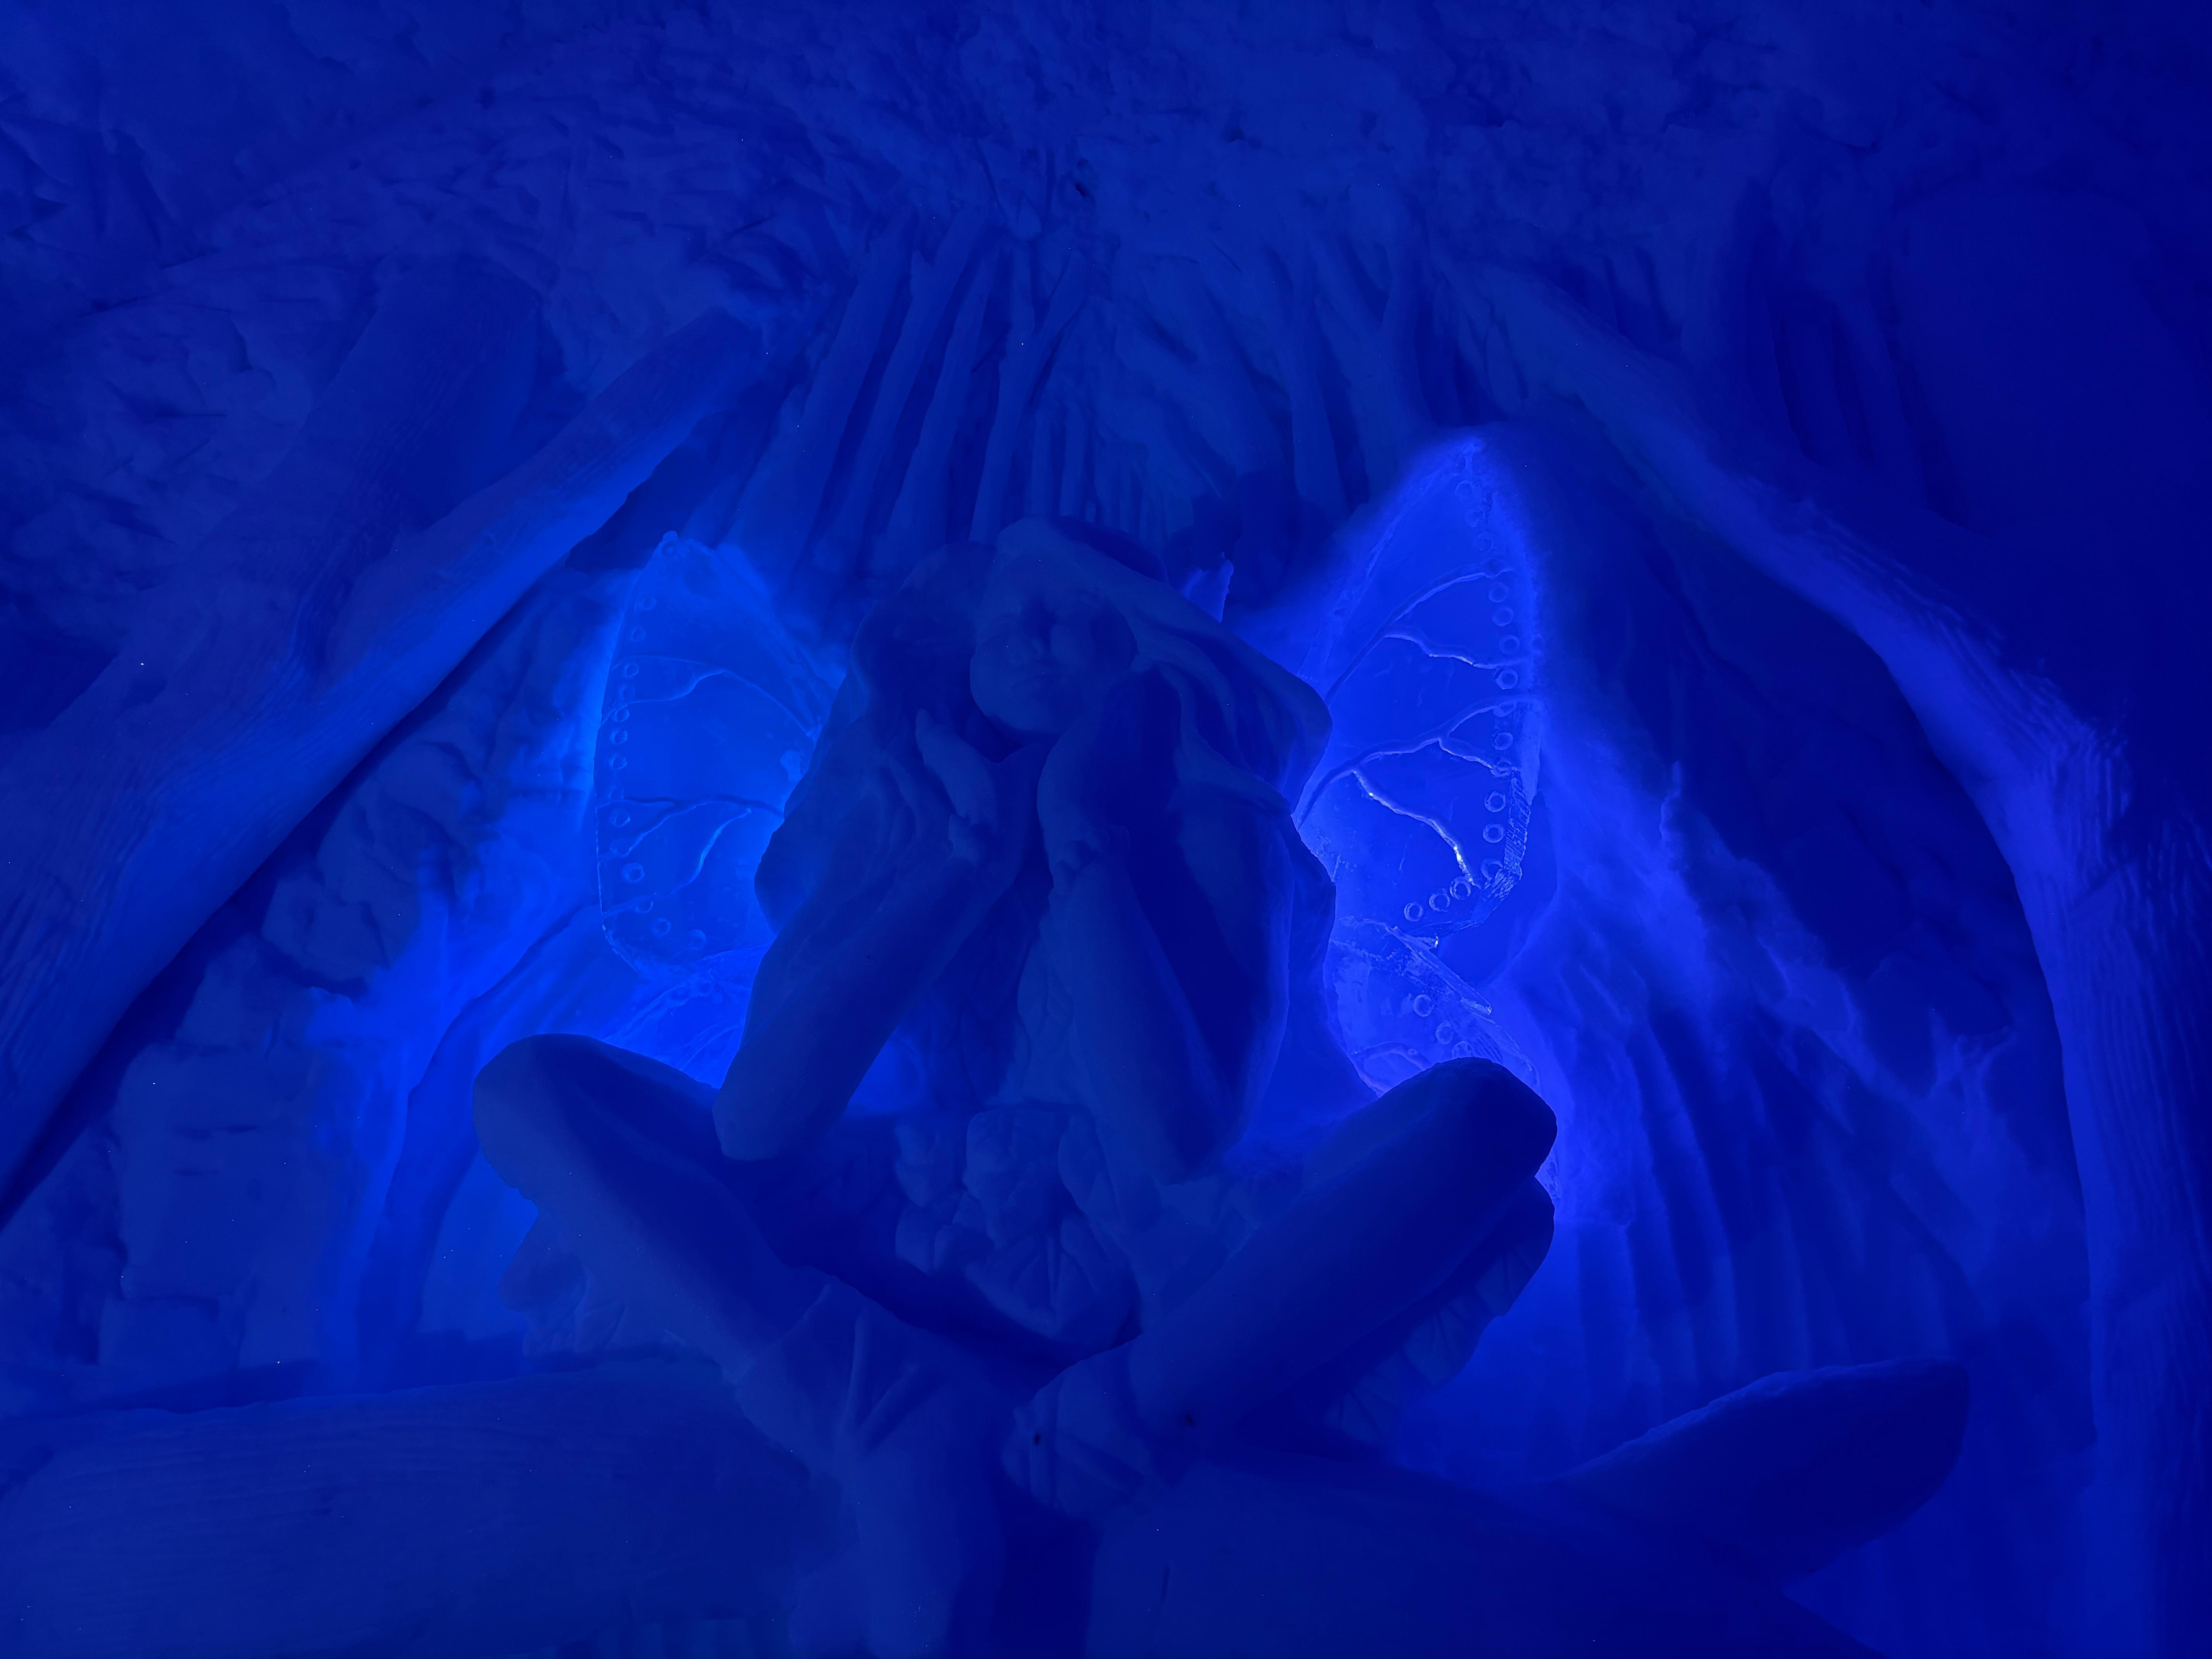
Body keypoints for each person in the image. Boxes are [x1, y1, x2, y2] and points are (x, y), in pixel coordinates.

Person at [475, 518, 1557, 1655]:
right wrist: (966, 866)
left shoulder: (1218, 828)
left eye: (1083, 617)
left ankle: (1097, 1442)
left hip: (1145, 1252)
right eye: (1014, 617)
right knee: (533, 1091)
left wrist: (1089, 844)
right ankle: (878, 1416)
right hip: (886, 1220)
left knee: (1490, 1125)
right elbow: (758, 1120)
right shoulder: (892, 822)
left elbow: (1178, 1132)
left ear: (1142, 649)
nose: (1039, 634)